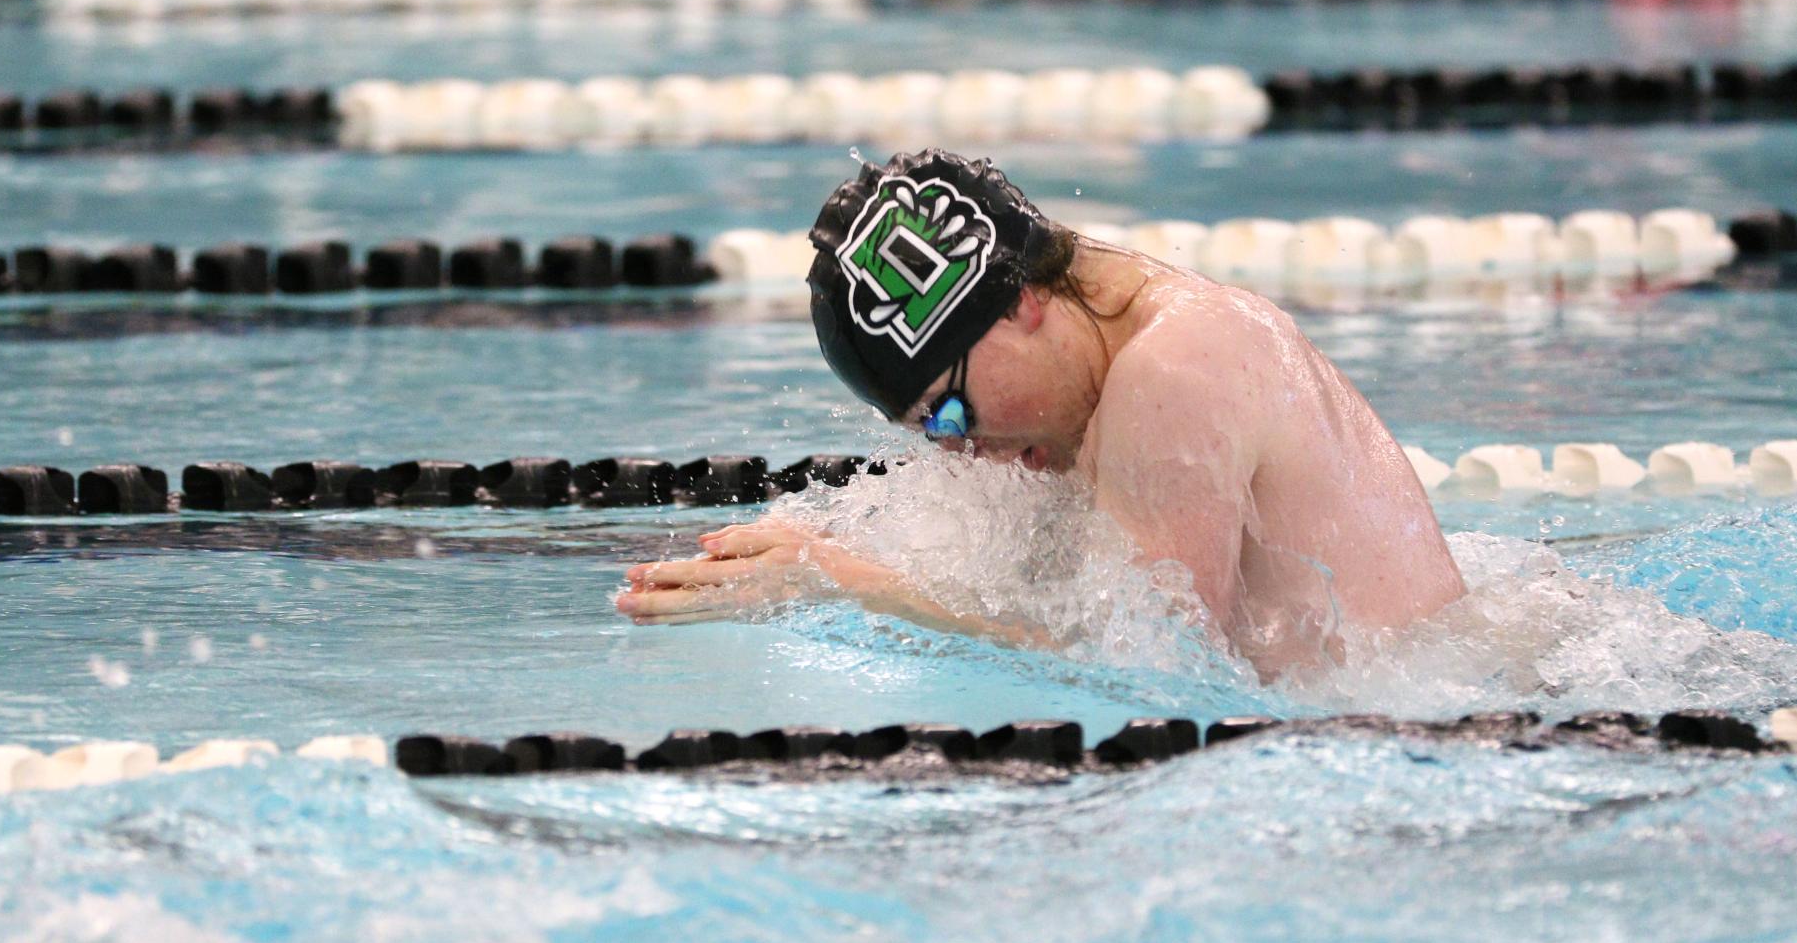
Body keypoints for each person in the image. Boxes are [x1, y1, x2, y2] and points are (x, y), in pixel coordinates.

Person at [616, 148, 1465, 680]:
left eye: (948, 417)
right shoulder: (1115, 355)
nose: (964, 453)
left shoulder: (1172, 372)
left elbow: (1163, 672)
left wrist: (846, 580)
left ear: (1017, 303)